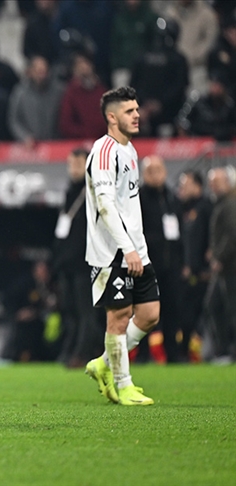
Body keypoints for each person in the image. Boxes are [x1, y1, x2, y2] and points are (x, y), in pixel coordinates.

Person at [84, 86, 158, 406]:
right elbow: (105, 205)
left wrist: (137, 247)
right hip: (111, 251)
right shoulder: (104, 151)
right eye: (130, 111)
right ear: (112, 118)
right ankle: (123, 384)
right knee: (119, 316)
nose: (137, 115)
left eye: (137, 109)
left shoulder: (130, 150)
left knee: (150, 314)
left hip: (135, 248)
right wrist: (126, 248)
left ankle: (103, 363)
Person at [52, 148, 101, 368]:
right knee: (70, 311)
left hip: (85, 263)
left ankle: (82, 353)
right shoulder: (69, 192)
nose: (74, 169)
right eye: (71, 164)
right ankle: (71, 350)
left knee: (86, 312)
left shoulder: (94, 194)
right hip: (67, 264)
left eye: (79, 164)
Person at [138, 156, 184, 362]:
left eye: (158, 170)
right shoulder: (138, 199)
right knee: (145, 310)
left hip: (171, 264)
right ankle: (143, 354)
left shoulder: (172, 198)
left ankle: (172, 353)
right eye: (150, 171)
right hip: (148, 264)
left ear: (165, 172)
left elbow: (181, 232)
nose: (155, 175)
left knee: (172, 309)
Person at [177, 171, 212, 361]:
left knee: (207, 313)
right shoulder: (183, 209)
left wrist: (207, 266)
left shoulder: (206, 207)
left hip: (204, 274)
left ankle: (212, 351)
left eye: (186, 184)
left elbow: (210, 238)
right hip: (189, 273)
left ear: (197, 185)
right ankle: (185, 351)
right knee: (186, 314)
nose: (181, 188)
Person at [207, 167, 236, 363]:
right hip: (226, 267)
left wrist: (219, 257)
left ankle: (227, 351)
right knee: (215, 306)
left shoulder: (230, 204)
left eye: (217, 182)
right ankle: (225, 351)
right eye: (212, 183)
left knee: (225, 307)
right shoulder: (223, 204)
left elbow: (232, 234)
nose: (214, 186)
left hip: (230, 267)